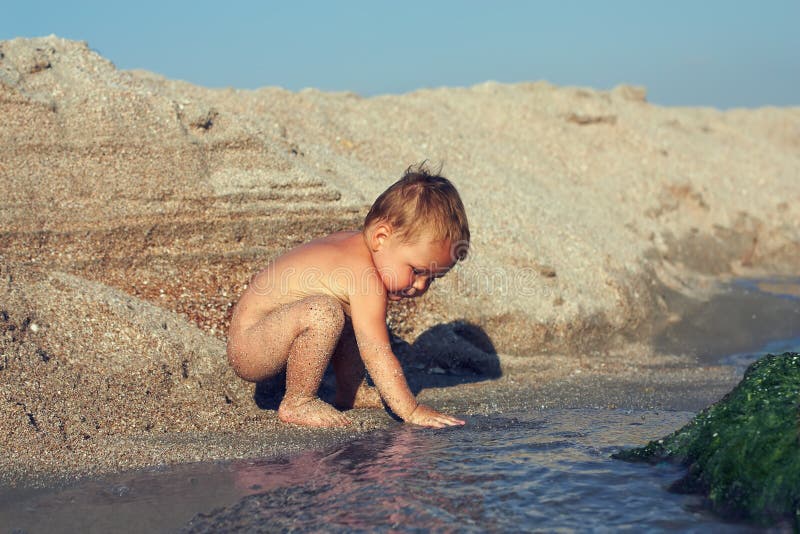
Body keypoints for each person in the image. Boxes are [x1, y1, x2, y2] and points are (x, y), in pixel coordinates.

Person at [226, 163, 470, 428]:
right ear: (381, 237)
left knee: (354, 316)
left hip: (268, 331)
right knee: (324, 313)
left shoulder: (359, 250)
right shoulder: (364, 276)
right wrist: (411, 410)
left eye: (433, 278)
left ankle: (350, 391)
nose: (421, 286)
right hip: (251, 346)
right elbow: (376, 352)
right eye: (417, 271)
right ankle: (298, 401)